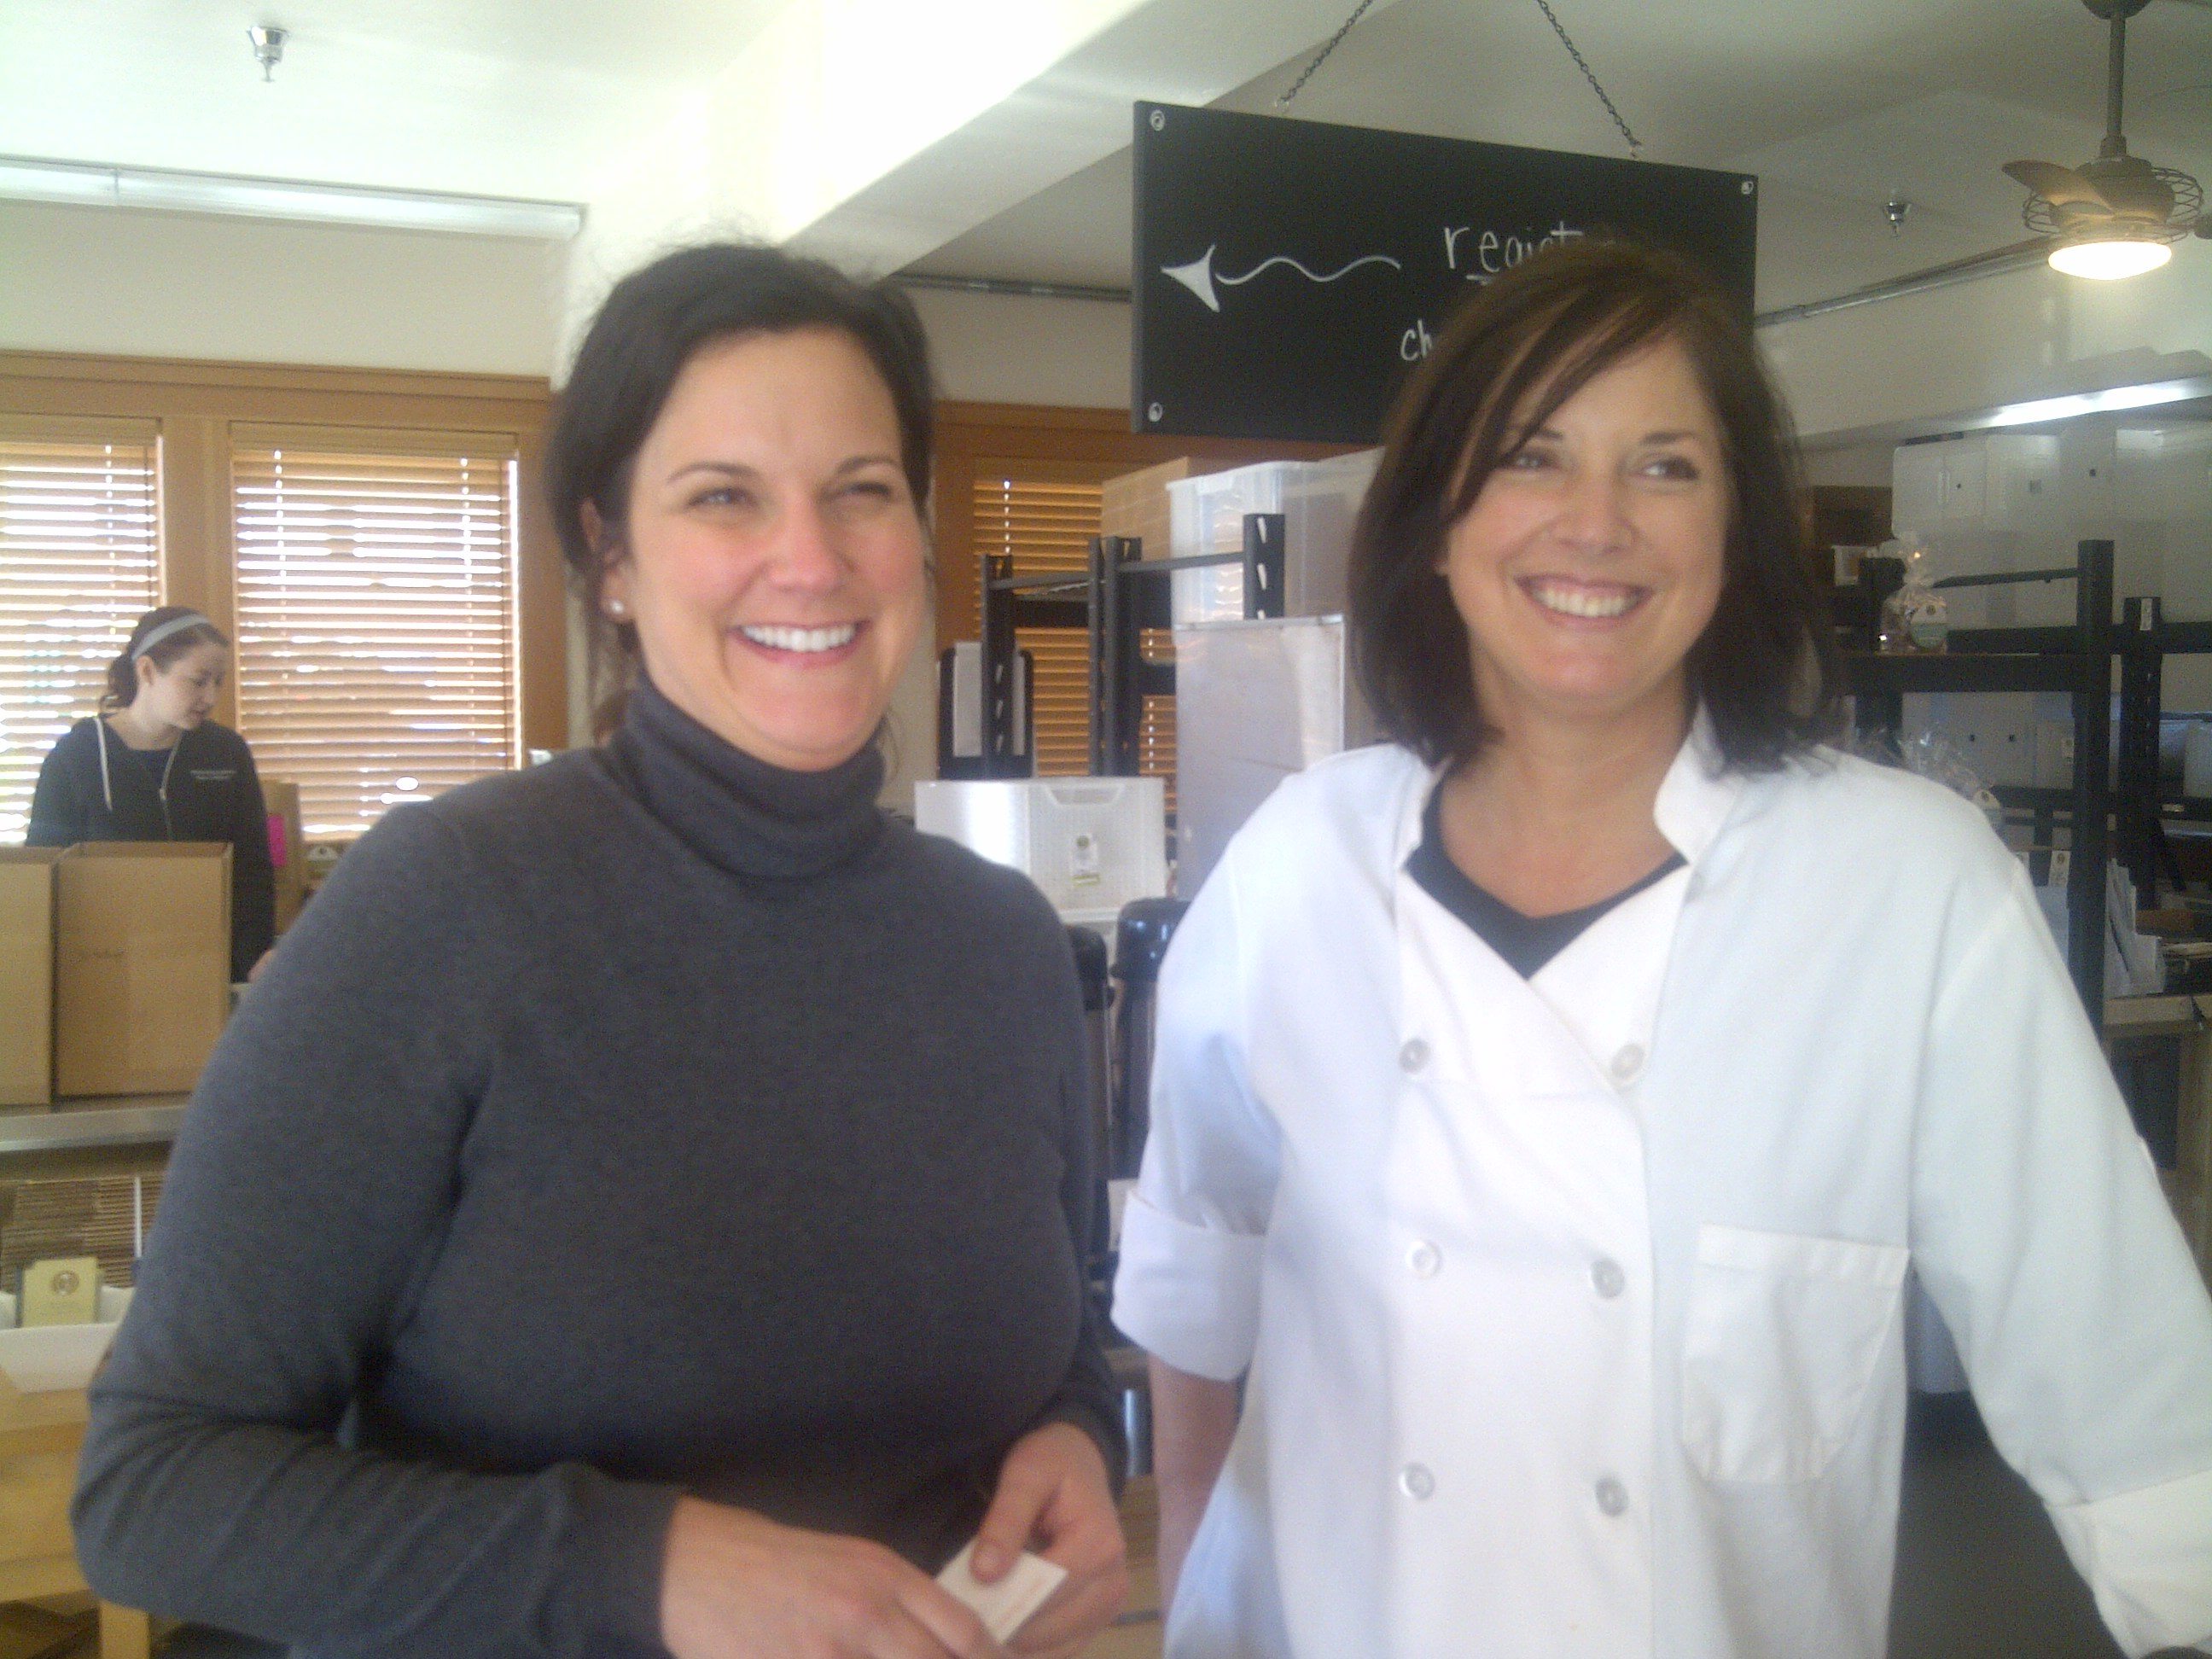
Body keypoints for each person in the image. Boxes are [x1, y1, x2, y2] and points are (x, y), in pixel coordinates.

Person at [1113, 239, 2212, 1659]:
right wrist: (1195, 1560)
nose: (1596, 523)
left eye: (1665, 467)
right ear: (1436, 523)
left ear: (1735, 533)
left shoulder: (1908, 889)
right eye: (1532, 456)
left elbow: (2135, 1406)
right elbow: (1198, 1254)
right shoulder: (1298, 865)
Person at [73, 243, 1127, 1659]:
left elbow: (1059, 1341)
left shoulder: (1001, 943)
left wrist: (1078, 1436)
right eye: (723, 495)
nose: (811, 558)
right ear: (612, 557)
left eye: (863, 490)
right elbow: (154, 1482)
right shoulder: (445, 907)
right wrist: (648, 1568)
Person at [26, 606, 275, 981]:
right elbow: (42, 875)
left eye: (218, 682)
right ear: (146, 671)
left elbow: (253, 866)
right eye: (198, 681)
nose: (210, 697)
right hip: (105, 967)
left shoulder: (227, 753)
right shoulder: (76, 757)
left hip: (212, 963)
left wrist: (253, 957)